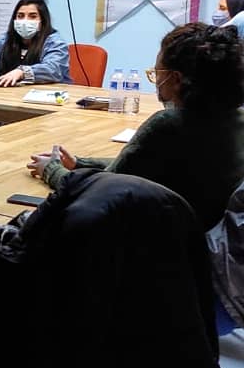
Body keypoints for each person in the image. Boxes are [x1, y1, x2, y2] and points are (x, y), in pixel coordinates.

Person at [28, 22, 244, 231]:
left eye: (157, 73)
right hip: (208, 239)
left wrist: (51, 170)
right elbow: (138, 164)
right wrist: (79, 163)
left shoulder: (169, 124)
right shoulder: (235, 120)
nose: (156, 80)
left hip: (160, 243)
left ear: (176, 79)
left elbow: (97, 193)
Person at [0, 0, 70, 86]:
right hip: (10, 92)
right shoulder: (5, 40)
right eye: (20, 16)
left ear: (43, 21)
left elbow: (53, 69)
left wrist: (22, 72)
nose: (25, 21)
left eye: (32, 16)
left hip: (49, 92)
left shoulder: (55, 42)